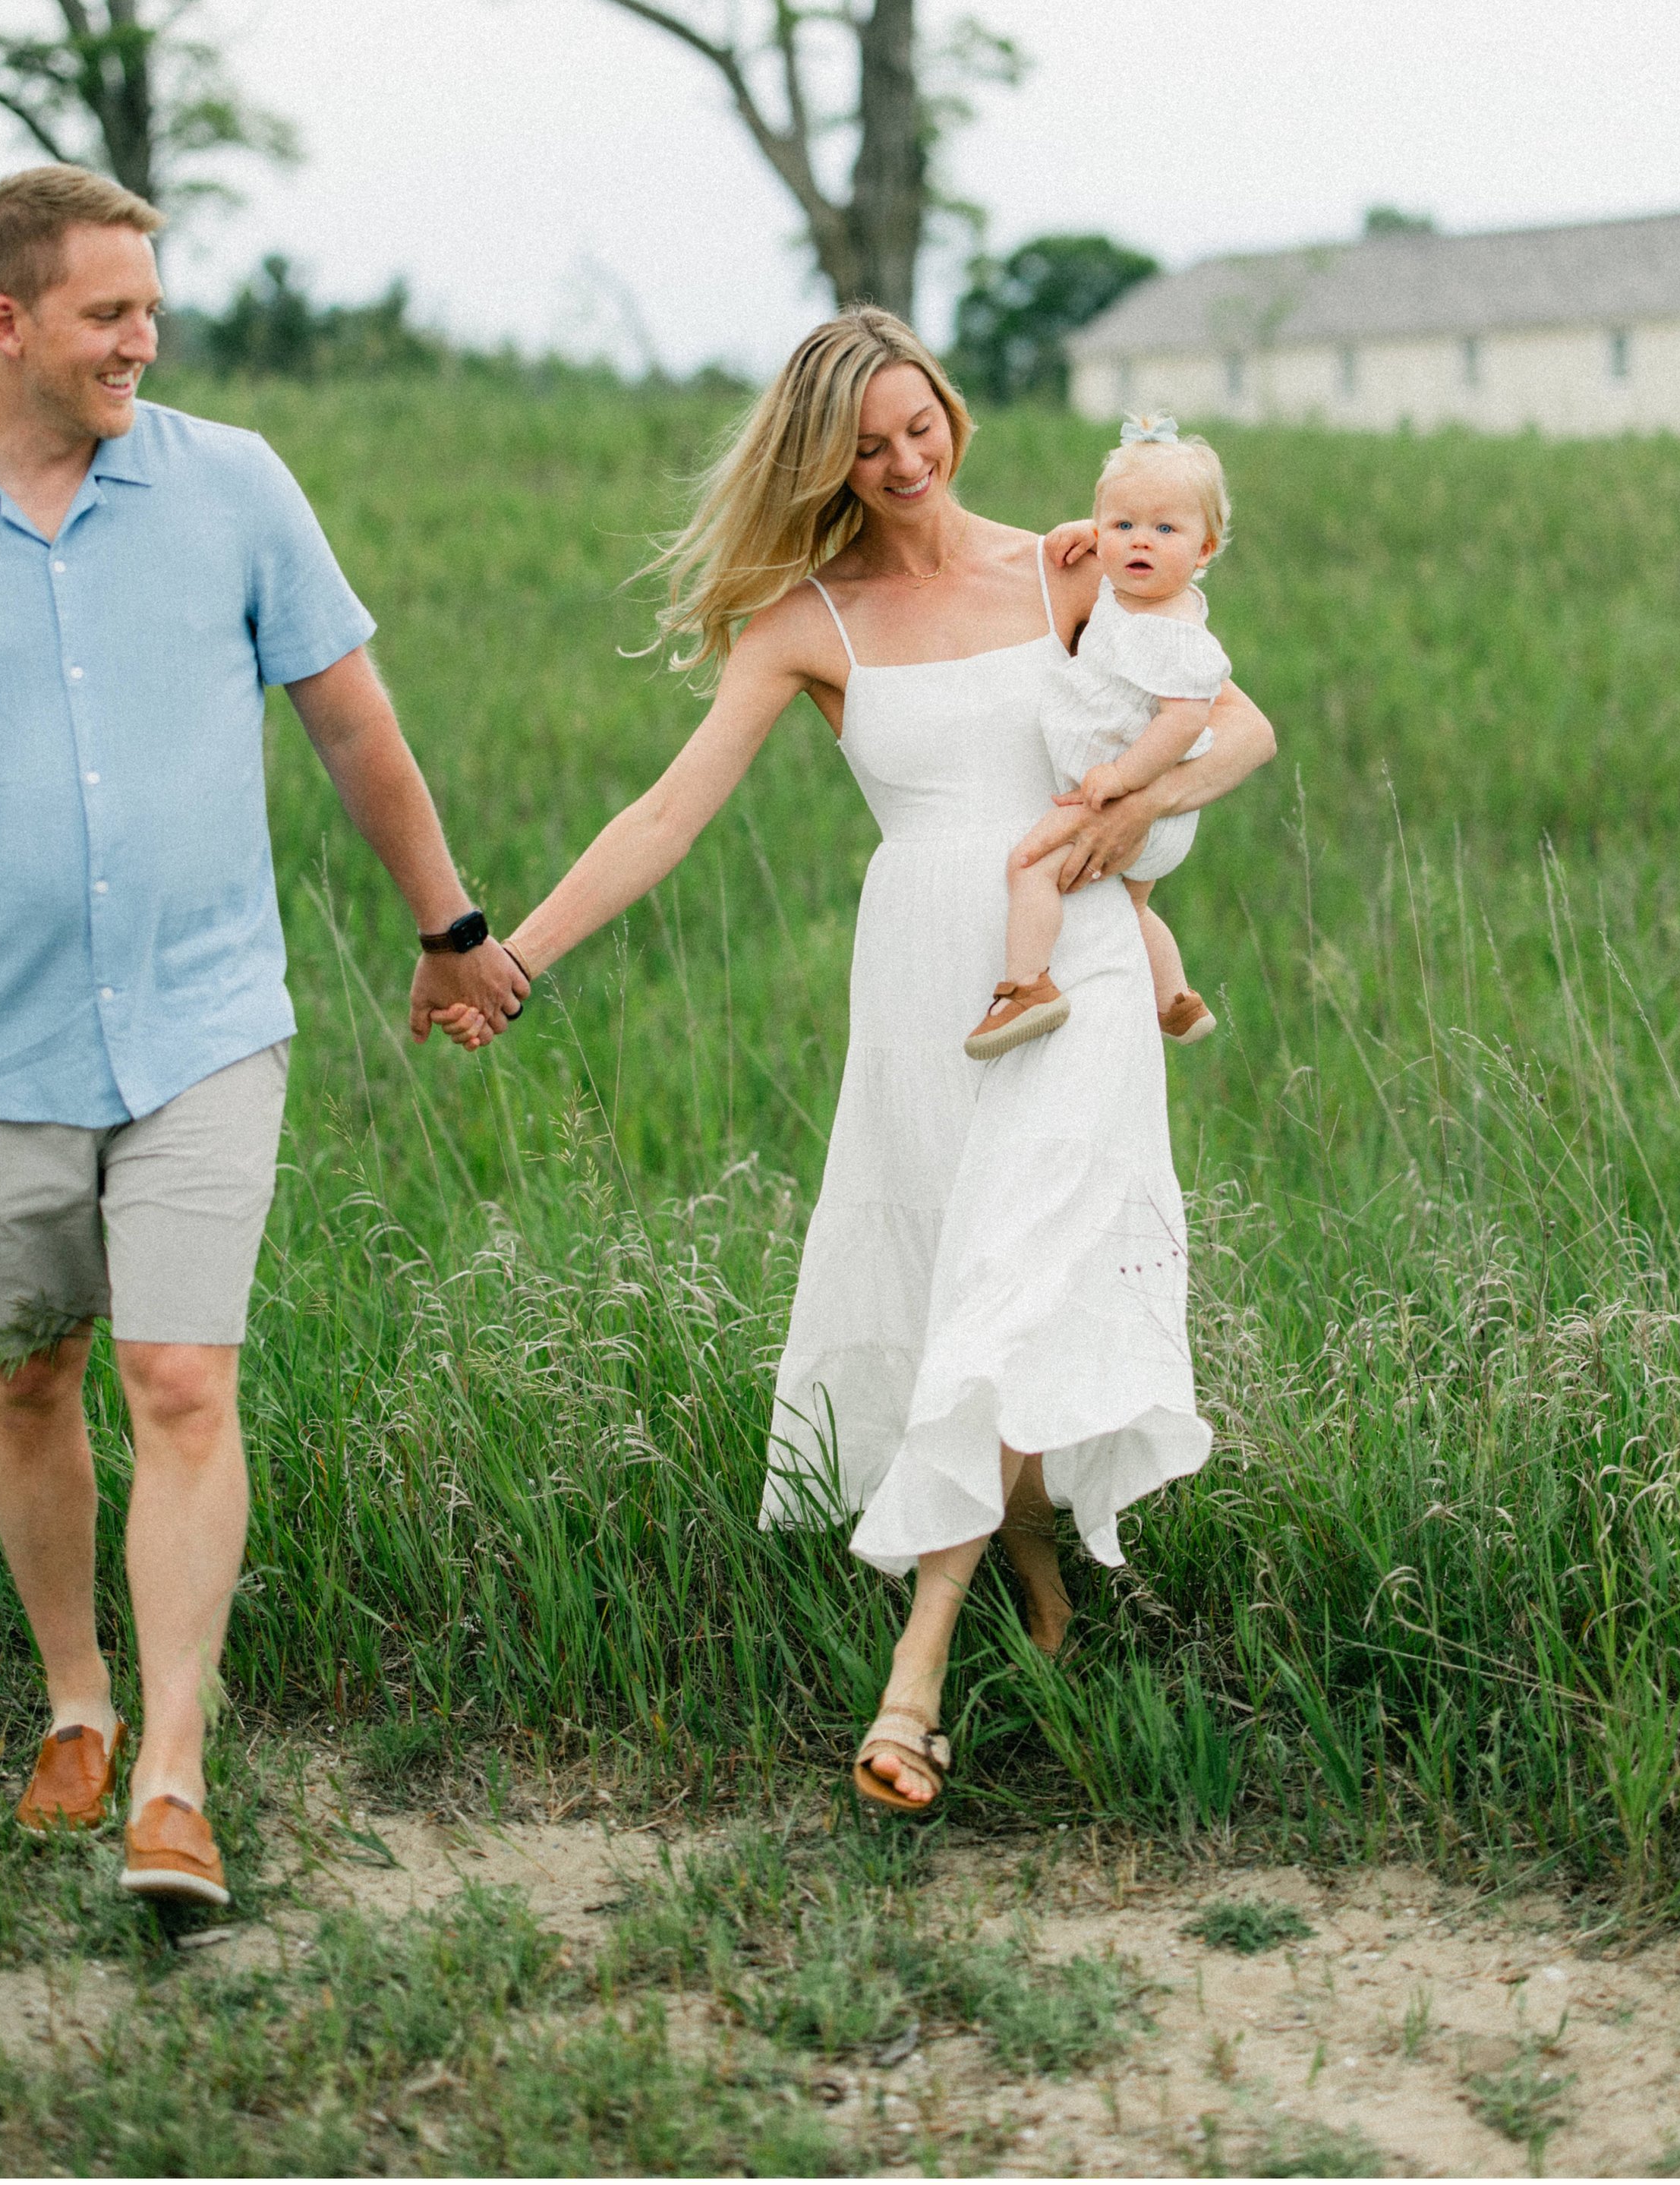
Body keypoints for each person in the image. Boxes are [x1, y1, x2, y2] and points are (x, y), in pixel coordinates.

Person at [433, 307, 1275, 1814]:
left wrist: (1125, 814)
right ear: (824, 458)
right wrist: (516, 957)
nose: (902, 460)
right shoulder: (802, 623)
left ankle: (915, 1679)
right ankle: (1031, 1556)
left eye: (918, 425)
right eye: (867, 444)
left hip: (1070, 963)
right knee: (971, 1280)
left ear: (951, 410)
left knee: (1018, 1268)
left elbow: (1240, 726)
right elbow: (664, 814)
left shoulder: (1068, 565)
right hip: (923, 981)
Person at [0, 166, 528, 1906]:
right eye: (109, 312)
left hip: (201, 1020)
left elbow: (352, 722)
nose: (144, 340)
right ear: (7, 321)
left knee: (181, 1378)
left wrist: (450, 931)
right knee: (27, 1371)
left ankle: (172, 1770)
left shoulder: (233, 485)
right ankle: (78, 1701)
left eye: (151, 309)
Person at [966, 415, 1232, 1061]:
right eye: (1122, 525)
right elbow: (1118, 541)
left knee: (1029, 867)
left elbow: (1185, 721)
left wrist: (1121, 778)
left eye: (1165, 530)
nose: (1140, 541)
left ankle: (1028, 987)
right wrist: (1083, 533)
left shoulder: (1174, 633)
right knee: (1133, 909)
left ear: (1203, 551)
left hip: (1129, 796)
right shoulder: (1131, 587)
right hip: (1147, 807)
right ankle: (1176, 1000)